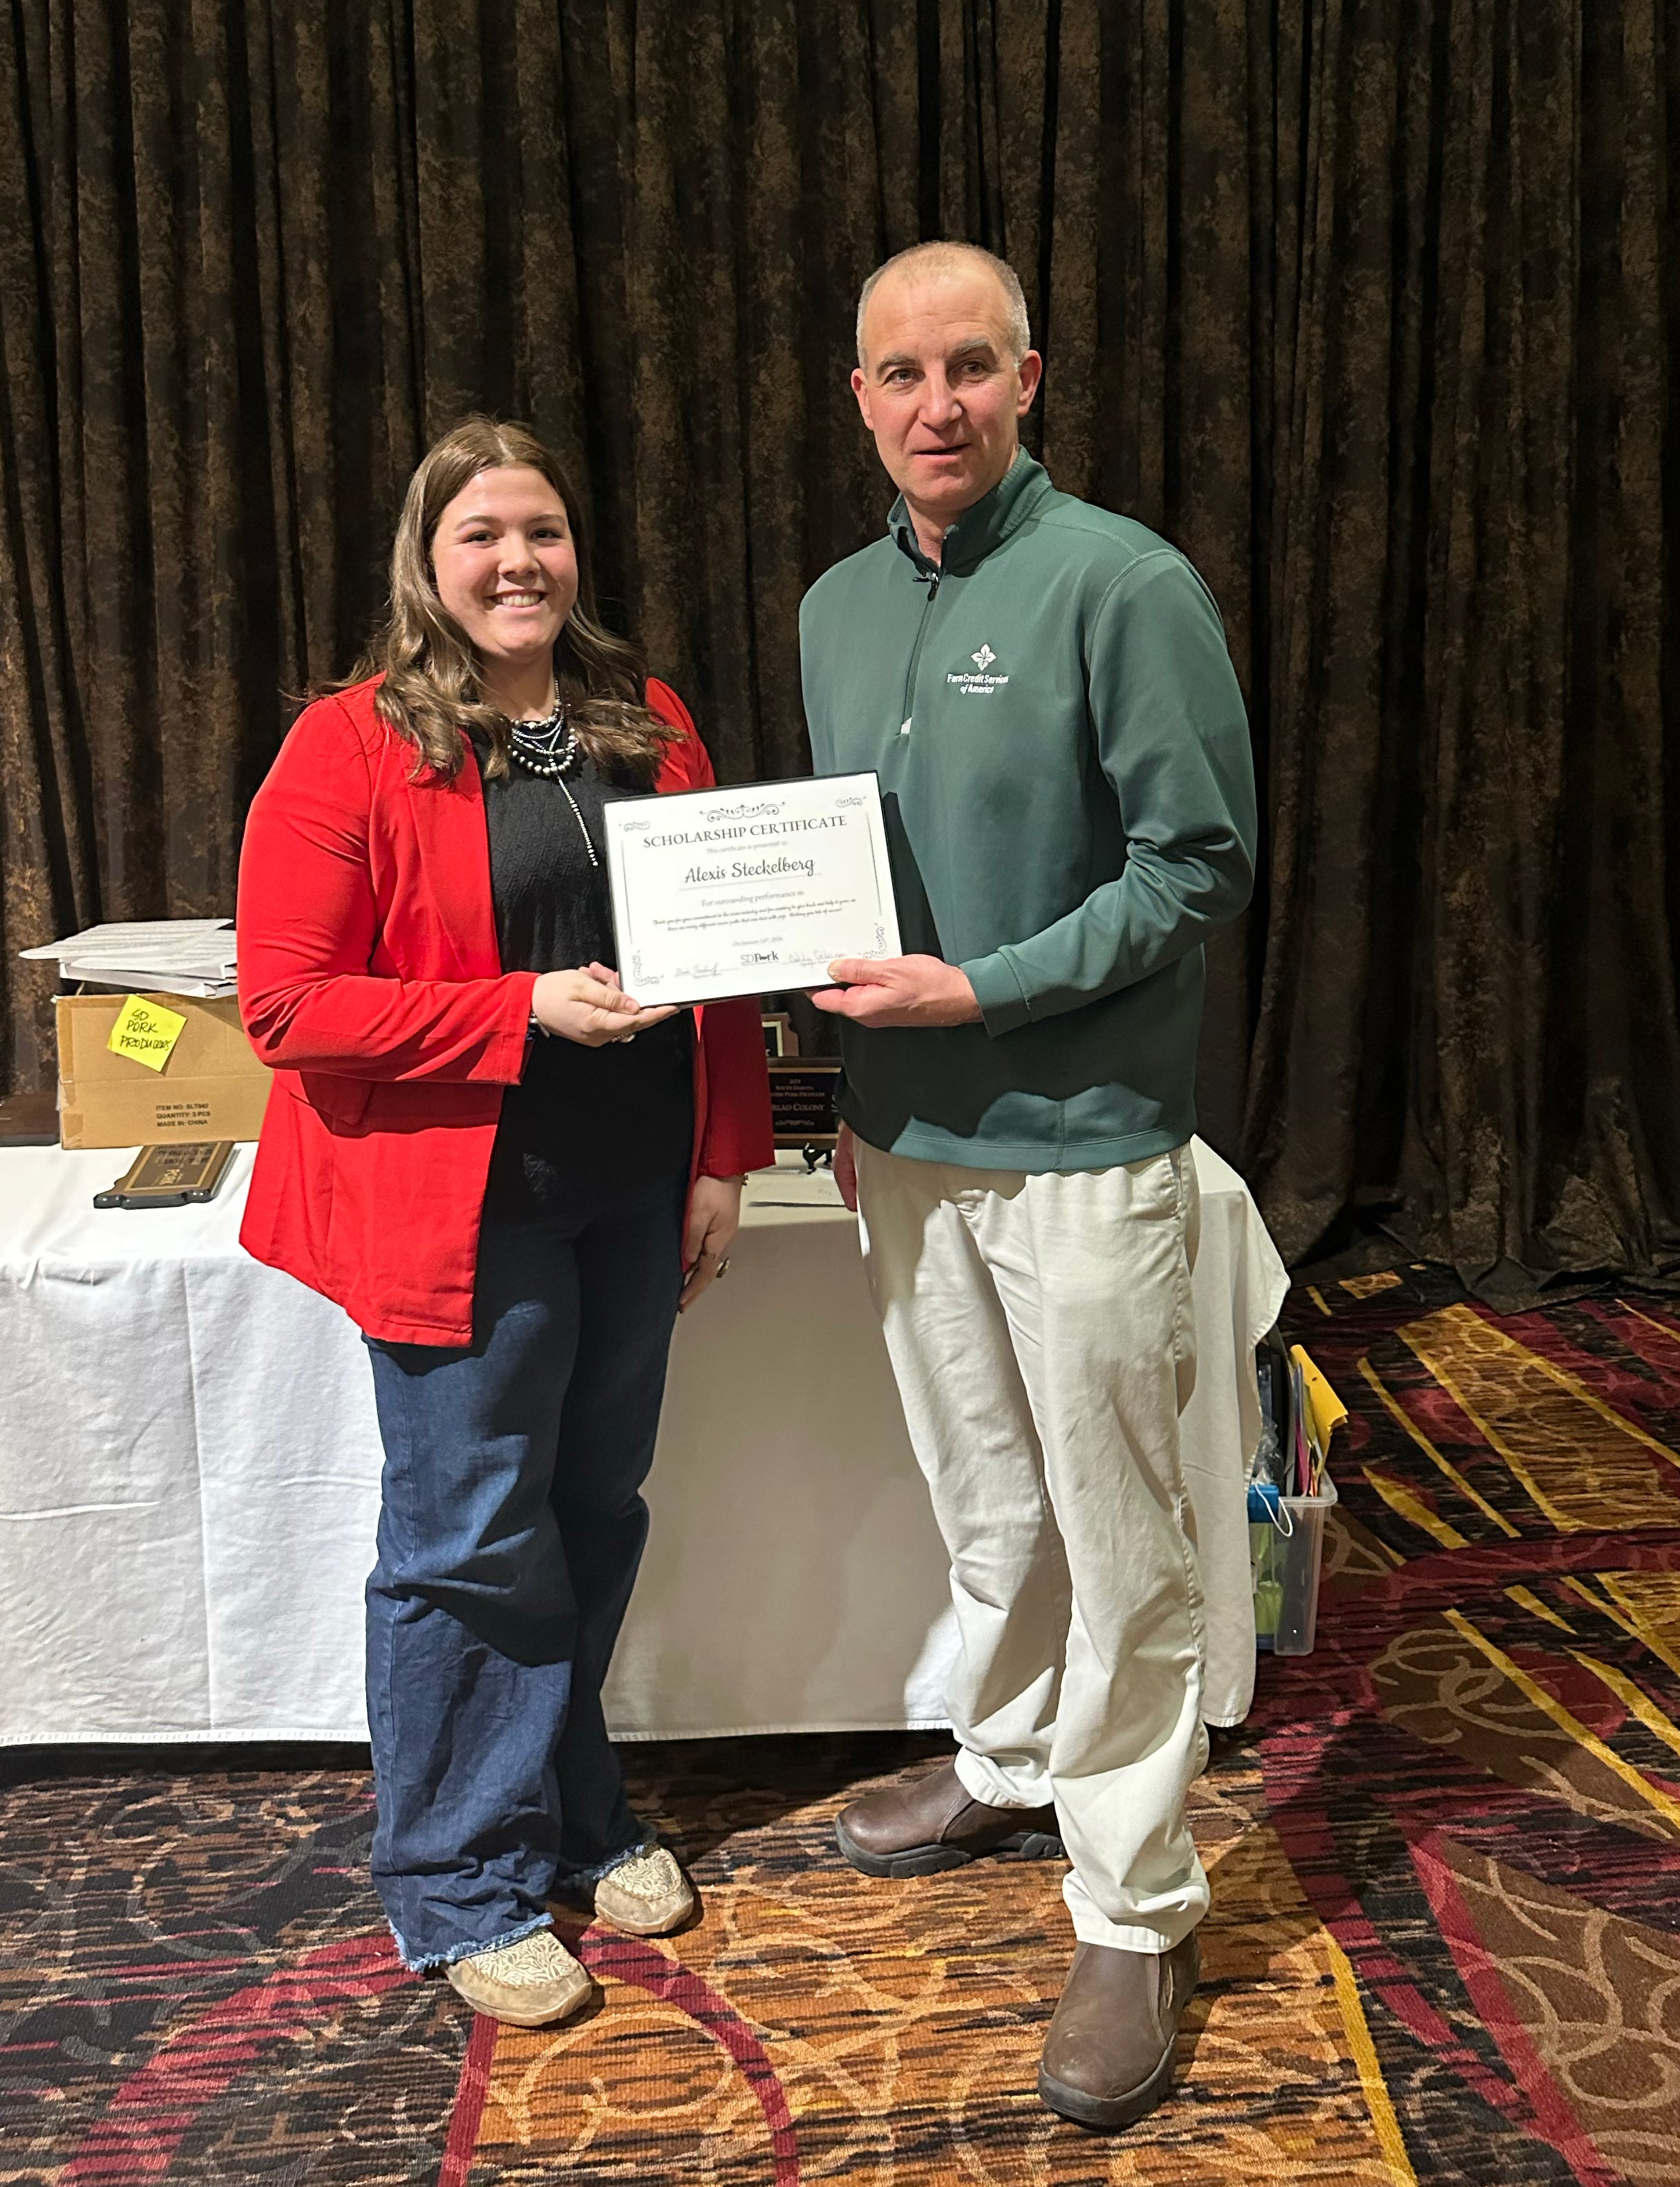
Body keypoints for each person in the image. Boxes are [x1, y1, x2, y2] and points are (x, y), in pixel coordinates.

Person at [800, 243, 1257, 2130]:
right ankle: (1002, 1750)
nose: (935, 403)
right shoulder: (834, 604)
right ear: (860, 396)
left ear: (1030, 376)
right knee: (984, 1492)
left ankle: (1135, 1897)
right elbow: (842, 889)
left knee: (1128, 1529)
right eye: (900, 372)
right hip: (905, 1147)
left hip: (1086, 1148)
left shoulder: (1125, 582)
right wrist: (858, 1077)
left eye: (968, 366)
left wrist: (977, 991)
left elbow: (1197, 867)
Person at [237, 417, 773, 2029]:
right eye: (481, 534)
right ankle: (460, 1880)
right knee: (467, 1538)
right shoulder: (347, 744)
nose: (517, 559)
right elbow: (288, 1002)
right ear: (429, 559)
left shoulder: (648, 720)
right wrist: (516, 1007)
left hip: (627, 1187)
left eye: (540, 528)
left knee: (594, 1507)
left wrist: (724, 1156)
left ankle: (568, 1804)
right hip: (459, 1204)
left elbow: (726, 955)